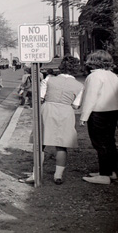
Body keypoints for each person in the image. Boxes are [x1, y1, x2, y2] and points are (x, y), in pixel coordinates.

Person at [22, 56, 84, 184]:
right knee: (61, 146)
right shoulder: (79, 85)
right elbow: (76, 105)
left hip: (48, 110)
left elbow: (40, 97)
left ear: (61, 67)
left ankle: (36, 174)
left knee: (41, 143)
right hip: (66, 112)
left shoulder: (49, 80)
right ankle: (58, 175)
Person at [79, 50, 118, 185]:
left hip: (98, 112)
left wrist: (84, 116)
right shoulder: (113, 76)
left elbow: (90, 97)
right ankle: (111, 171)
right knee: (110, 142)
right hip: (113, 111)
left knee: (99, 143)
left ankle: (104, 175)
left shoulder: (94, 77)